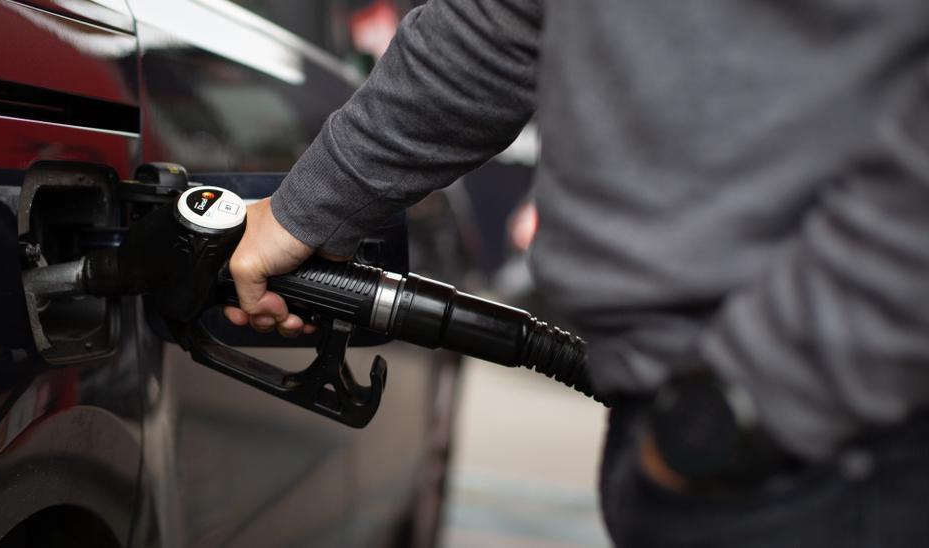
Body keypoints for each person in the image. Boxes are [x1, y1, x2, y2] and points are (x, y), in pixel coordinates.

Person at [222, 0, 929, 545]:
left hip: (837, 440)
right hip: (708, 420)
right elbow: (504, 24)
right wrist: (307, 209)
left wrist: (758, 399)